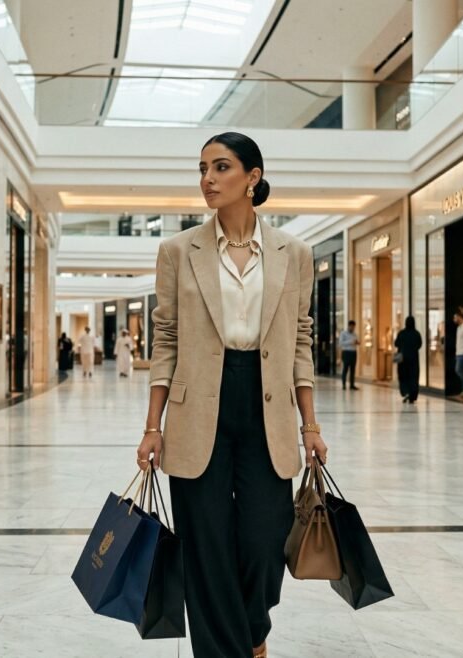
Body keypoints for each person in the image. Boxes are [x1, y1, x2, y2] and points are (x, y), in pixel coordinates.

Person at [137, 132, 326, 658]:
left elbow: (301, 339)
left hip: (267, 408)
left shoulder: (295, 254)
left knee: (267, 541)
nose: (207, 179)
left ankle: (251, 630)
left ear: (253, 178)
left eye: (221, 168)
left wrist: (310, 425)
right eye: (202, 169)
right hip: (198, 408)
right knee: (207, 545)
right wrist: (153, 427)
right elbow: (166, 339)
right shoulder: (178, 251)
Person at [394, 316, 422, 404]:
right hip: (413, 358)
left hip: (402, 358)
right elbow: (419, 344)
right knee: (413, 376)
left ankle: (405, 392)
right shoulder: (417, 333)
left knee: (403, 376)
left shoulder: (401, 333)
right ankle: (412, 395)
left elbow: (396, 343)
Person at [338, 320, 360, 390]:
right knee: (345, 369)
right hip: (346, 352)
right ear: (349, 326)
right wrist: (350, 342)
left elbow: (356, 341)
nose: (353, 328)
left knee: (353, 369)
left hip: (353, 353)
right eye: (351, 326)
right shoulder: (343, 333)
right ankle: (344, 384)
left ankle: (352, 385)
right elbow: (341, 343)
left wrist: (357, 342)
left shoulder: (355, 334)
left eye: (354, 327)